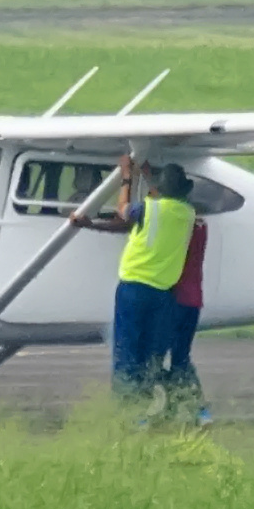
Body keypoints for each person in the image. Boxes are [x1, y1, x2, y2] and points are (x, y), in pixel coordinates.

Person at [71, 157, 196, 400]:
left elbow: (123, 212)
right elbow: (155, 208)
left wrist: (127, 176)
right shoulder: (187, 212)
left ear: (159, 188)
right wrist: (148, 177)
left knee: (127, 350)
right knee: (152, 353)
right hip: (164, 292)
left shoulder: (149, 209)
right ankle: (149, 404)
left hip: (134, 287)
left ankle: (128, 406)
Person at [163, 214, 212, 426]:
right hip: (193, 300)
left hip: (174, 299)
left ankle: (163, 406)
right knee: (181, 358)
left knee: (152, 357)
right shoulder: (201, 226)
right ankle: (196, 409)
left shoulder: (178, 225)